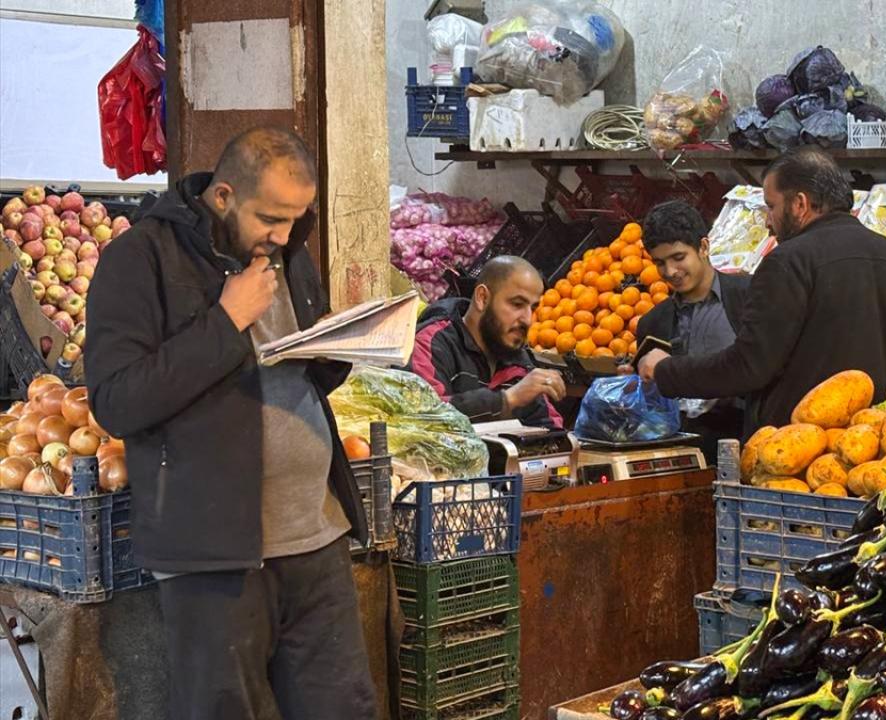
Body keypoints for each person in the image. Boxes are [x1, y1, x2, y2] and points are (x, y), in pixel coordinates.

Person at [84, 127, 377, 720]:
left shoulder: (286, 250)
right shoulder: (138, 259)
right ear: (222, 197)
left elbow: (289, 369)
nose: (285, 235)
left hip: (316, 537)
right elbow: (117, 400)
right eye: (271, 218)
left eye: (296, 219)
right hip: (212, 554)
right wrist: (226, 319)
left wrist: (338, 351)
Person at [638, 146, 886, 436]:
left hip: (805, 455)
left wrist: (666, 371)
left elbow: (749, 366)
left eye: (771, 206)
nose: (767, 220)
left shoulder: (788, 262)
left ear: (799, 204)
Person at [632, 201, 750, 458]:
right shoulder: (652, 324)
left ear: (704, 247)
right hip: (678, 454)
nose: (670, 271)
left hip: (742, 444)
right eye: (660, 262)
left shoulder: (748, 300)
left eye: (678, 257)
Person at [411, 256, 565, 429]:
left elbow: (549, 426)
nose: (527, 320)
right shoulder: (431, 343)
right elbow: (424, 418)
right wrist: (507, 400)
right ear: (482, 298)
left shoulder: (517, 359)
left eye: (533, 308)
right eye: (517, 304)